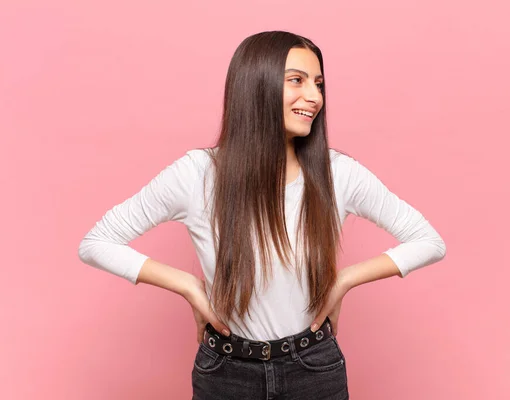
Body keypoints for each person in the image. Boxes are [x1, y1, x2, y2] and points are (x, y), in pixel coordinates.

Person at [78, 30, 446, 400]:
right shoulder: (197, 174)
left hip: (314, 368)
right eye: (297, 81)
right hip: (225, 372)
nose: (314, 97)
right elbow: (96, 243)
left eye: (319, 83)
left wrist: (343, 280)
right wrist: (188, 285)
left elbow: (429, 241)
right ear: (257, 85)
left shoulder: (337, 173)